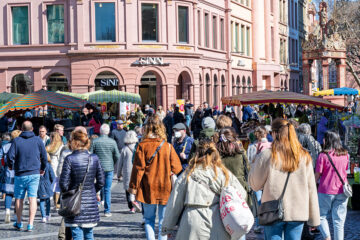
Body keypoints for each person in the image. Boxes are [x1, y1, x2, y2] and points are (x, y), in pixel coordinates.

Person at [161, 139, 247, 240]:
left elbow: (175, 202)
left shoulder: (188, 174)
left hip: (192, 220)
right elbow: (242, 194)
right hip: (218, 221)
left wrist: (168, 227)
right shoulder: (223, 173)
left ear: (197, 153)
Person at [249, 119, 320, 239]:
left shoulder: (267, 155)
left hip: (273, 209)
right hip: (298, 210)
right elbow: (311, 188)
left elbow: (254, 185)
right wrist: (314, 218)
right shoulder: (304, 156)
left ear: (275, 133)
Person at [128, 115, 182, 240]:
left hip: (148, 188)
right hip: (164, 187)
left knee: (148, 220)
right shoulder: (167, 146)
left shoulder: (142, 145)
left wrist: (133, 189)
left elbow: (138, 170)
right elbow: (178, 168)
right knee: (163, 221)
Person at [59, 131, 105, 240]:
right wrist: (92, 190)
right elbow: (101, 181)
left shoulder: (69, 159)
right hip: (90, 203)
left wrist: (71, 192)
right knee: (89, 234)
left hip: (74, 204)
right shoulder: (94, 158)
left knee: (76, 234)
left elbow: (63, 184)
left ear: (74, 142)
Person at [8, 121, 48, 231]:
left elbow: (9, 157)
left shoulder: (16, 141)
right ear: (32, 129)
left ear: (21, 128)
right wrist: (42, 168)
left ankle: (19, 222)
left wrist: (11, 166)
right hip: (34, 173)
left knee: (19, 198)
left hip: (20, 173)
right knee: (33, 198)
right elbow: (44, 156)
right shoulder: (38, 140)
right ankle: (30, 224)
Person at [315, 131, 349, 240]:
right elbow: (345, 170)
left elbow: (317, 174)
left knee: (320, 216)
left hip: (325, 190)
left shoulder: (323, 155)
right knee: (339, 221)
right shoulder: (345, 154)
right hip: (342, 190)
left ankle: (327, 237)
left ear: (326, 140)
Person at [90, 124, 120, 217]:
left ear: (100, 131)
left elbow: (90, 155)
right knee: (107, 189)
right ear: (108, 132)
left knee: (96, 188)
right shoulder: (112, 142)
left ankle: (93, 207)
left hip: (98, 168)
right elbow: (117, 156)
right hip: (109, 168)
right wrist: (112, 163)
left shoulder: (95, 141)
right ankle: (107, 210)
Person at [246, 126, 272, 233]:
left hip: (256, 177)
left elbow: (249, 163)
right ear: (265, 134)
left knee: (257, 202)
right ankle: (267, 223)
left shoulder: (252, 147)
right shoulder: (271, 145)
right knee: (266, 201)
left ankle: (257, 224)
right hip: (268, 177)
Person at [116, 130, 139, 213]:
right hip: (138, 171)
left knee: (128, 190)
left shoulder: (124, 149)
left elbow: (120, 163)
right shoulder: (139, 147)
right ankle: (137, 202)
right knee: (137, 188)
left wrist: (119, 174)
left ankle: (131, 206)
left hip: (128, 172)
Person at [0, 131, 21, 223]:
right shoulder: (20, 146)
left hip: (8, 172)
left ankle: (7, 210)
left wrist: (3, 168)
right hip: (19, 172)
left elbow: (0, 159)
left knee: (8, 193)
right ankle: (16, 214)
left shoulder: (5, 146)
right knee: (18, 194)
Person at [46, 132, 64, 210]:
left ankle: (55, 202)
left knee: (53, 185)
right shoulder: (62, 146)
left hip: (51, 165)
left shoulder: (49, 147)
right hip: (59, 165)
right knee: (58, 186)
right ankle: (58, 203)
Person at [37, 154, 56, 223]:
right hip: (48, 184)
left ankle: (43, 217)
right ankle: (48, 215)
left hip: (40, 185)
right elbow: (52, 176)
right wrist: (52, 183)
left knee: (42, 201)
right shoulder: (48, 165)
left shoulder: (37, 165)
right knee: (48, 200)